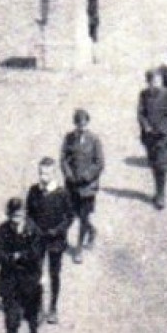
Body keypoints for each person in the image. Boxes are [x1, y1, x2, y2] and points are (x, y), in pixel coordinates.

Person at [0, 197, 44, 333]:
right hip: (9, 282)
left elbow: (36, 255)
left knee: (31, 315)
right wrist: (18, 257)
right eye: (13, 216)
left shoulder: (35, 231)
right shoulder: (2, 230)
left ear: (25, 214)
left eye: (19, 216)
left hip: (30, 282)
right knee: (11, 321)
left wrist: (15, 256)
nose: (16, 220)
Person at [25, 159, 73, 323]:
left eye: (46, 173)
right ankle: (38, 308)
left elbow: (69, 217)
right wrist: (34, 229)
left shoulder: (62, 193)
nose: (42, 176)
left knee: (54, 274)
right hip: (38, 240)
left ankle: (53, 307)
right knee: (36, 273)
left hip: (55, 241)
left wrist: (57, 230)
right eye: (40, 173)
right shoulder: (33, 191)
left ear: (54, 174)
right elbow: (29, 214)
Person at [60, 109, 104, 258]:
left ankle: (78, 249)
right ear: (75, 124)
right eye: (79, 125)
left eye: (84, 124)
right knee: (71, 214)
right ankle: (91, 231)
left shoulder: (94, 140)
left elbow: (99, 163)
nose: (82, 128)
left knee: (84, 217)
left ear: (87, 123)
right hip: (72, 185)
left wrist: (86, 176)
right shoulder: (69, 138)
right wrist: (68, 174)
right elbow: (63, 159)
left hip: (87, 187)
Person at [137, 68, 167, 210]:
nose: (155, 84)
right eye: (152, 82)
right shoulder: (143, 94)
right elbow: (140, 112)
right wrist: (146, 126)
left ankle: (161, 195)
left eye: (157, 81)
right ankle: (158, 189)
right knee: (154, 163)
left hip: (163, 136)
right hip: (148, 137)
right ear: (148, 82)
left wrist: (159, 130)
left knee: (161, 164)